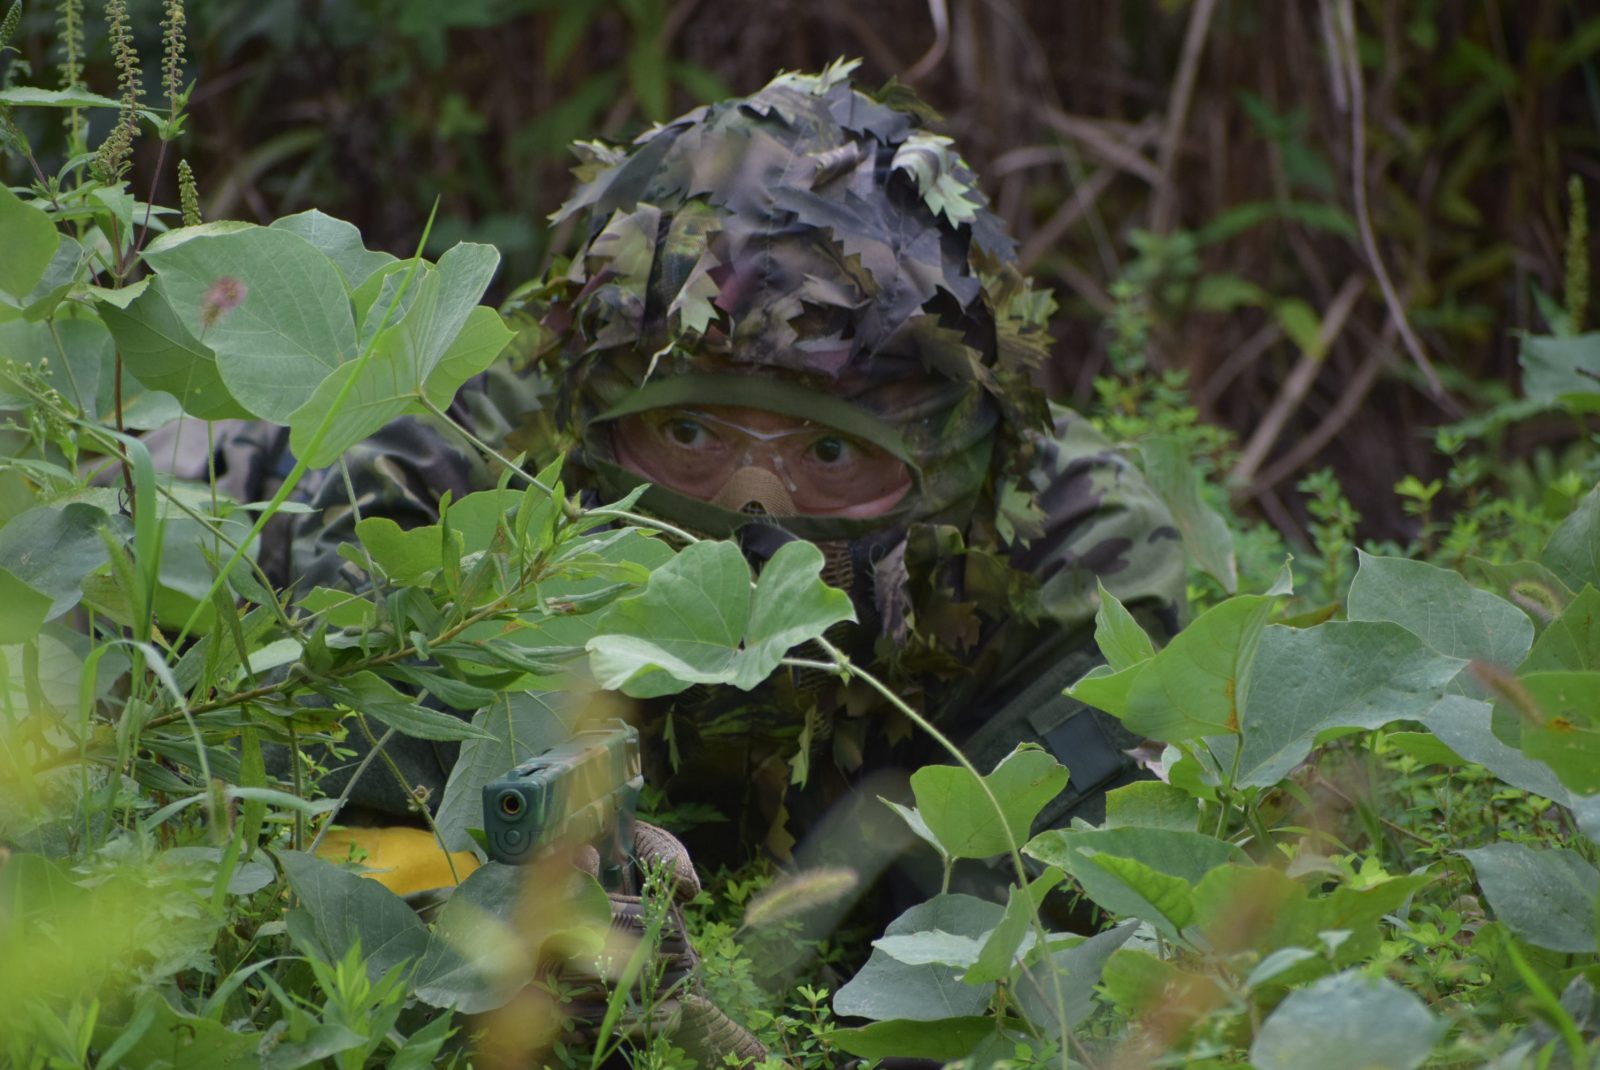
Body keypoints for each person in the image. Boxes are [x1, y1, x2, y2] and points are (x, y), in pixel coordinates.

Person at [184, 61, 1187, 1061]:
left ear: (951, 464)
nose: (755, 514)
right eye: (691, 433)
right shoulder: (481, 459)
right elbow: (326, 786)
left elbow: (1064, 974)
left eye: (828, 450)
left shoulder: (1068, 553)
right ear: (592, 420)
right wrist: (499, 884)